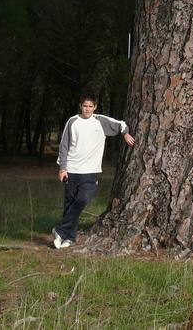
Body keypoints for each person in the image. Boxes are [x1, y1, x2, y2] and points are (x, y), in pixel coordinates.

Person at [52, 92, 135, 249]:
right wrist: (62, 168)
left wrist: (125, 134)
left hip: (90, 171)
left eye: (90, 106)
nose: (87, 109)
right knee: (70, 203)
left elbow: (121, 124)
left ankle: (60, 230)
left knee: (82, 200)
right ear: (80, 106)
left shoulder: (100, 121)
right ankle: (69, 237)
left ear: (95, 107)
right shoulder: (72, 121)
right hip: (71, 169)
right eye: (85, 106)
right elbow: (64, 146)